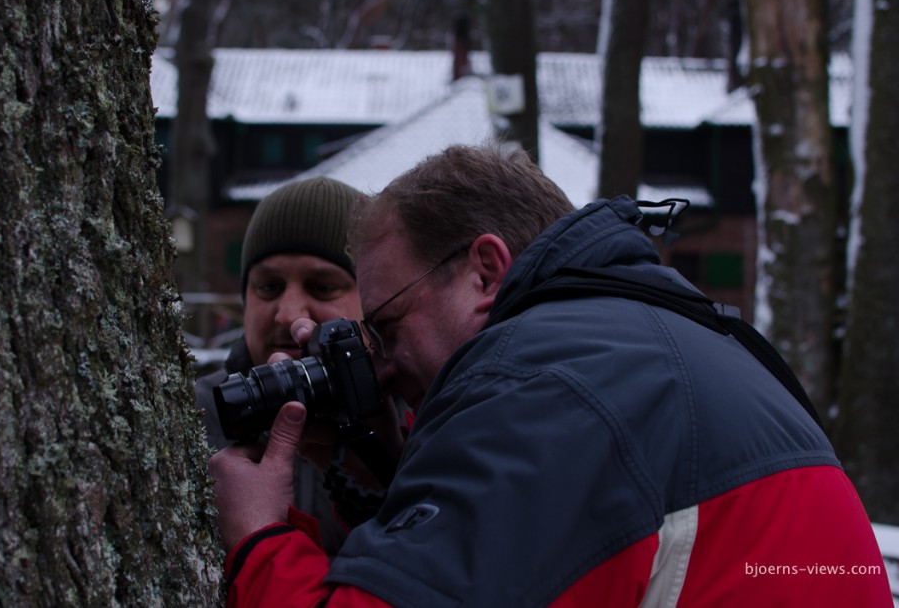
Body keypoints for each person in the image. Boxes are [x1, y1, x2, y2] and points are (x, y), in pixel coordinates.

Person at [208, 145, 891, 606]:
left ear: (485, 270)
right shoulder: (665, 337)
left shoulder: (540, 384)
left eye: (384, 326)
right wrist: (386, 465)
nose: (379, 367)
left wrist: (262, 538)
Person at [195, 176, 367, 553]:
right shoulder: (188, 415)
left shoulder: (410, 430)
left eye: (322, 287)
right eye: (268, 287)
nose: (288, 315)